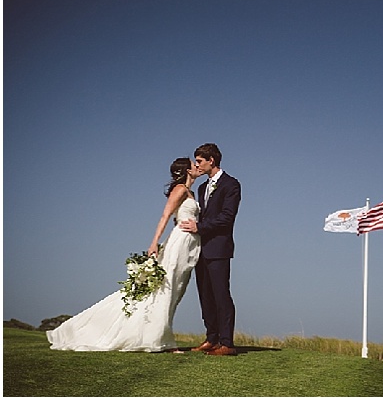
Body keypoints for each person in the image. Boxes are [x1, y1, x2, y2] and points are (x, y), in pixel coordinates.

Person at [46, 158, 202, 352]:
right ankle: (162, 341)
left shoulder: (191, 192)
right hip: (180, 242)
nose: (197, 167)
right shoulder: (179, 189)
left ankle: (157, 335)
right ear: (187, 170)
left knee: (176, 290)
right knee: (166, 290)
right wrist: (154, 242)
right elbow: (165, 215)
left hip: (189, 244)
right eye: (194, 165)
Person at [180, 143, 241, 356]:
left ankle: (227, 343)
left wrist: (200, 227)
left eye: (199, 161)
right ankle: (211, 338)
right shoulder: (202, 188)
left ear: (211, 161)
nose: (197, 165)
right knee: (205, 295)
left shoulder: (231, 185)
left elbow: (227, 217)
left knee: (221, 294)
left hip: (219, 249)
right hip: (201, 249)